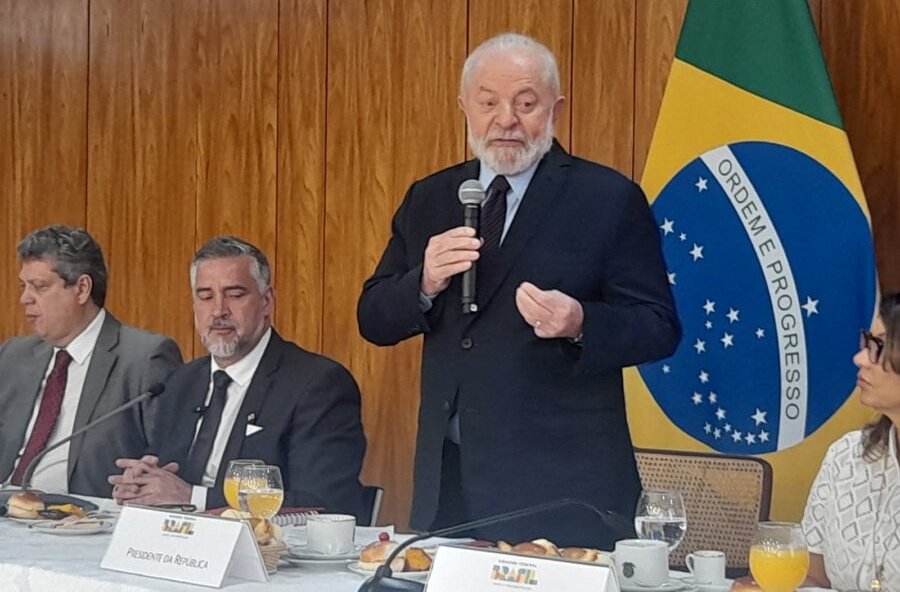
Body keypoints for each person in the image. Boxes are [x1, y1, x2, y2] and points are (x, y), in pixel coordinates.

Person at [357, 32, 680, 547]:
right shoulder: (432, 196)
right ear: (465, 107)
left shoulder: (608, 198)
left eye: (526, 103)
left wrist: (580, 322)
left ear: (555, 109)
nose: (506, 119)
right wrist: (422, 281)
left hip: (562, 488)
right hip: (451, 482)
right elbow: (373, 317)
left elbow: (659, 327)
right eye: (489, 103)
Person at [109, 236, 368, 518]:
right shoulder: (181, 382)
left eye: (234, 294)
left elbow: (321, 502)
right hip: (178, 545)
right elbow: (168, 476)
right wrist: (141, 484)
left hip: (267, 554)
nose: (218, 310)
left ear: (267, 301)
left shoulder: (319, 384)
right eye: (205, 296)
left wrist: (195, 498)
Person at [0, 225, 182, 497]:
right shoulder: (14, 355)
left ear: (82, 288)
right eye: (24, 286)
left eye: (39, 287)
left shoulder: (145, 358)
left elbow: (167, 461)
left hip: (86, 523)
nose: (24, 299)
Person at [802, 292, 900, 591]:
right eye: (866, 343)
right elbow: (812, 578)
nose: (860, 358)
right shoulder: (846, 457)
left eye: (879, 346)